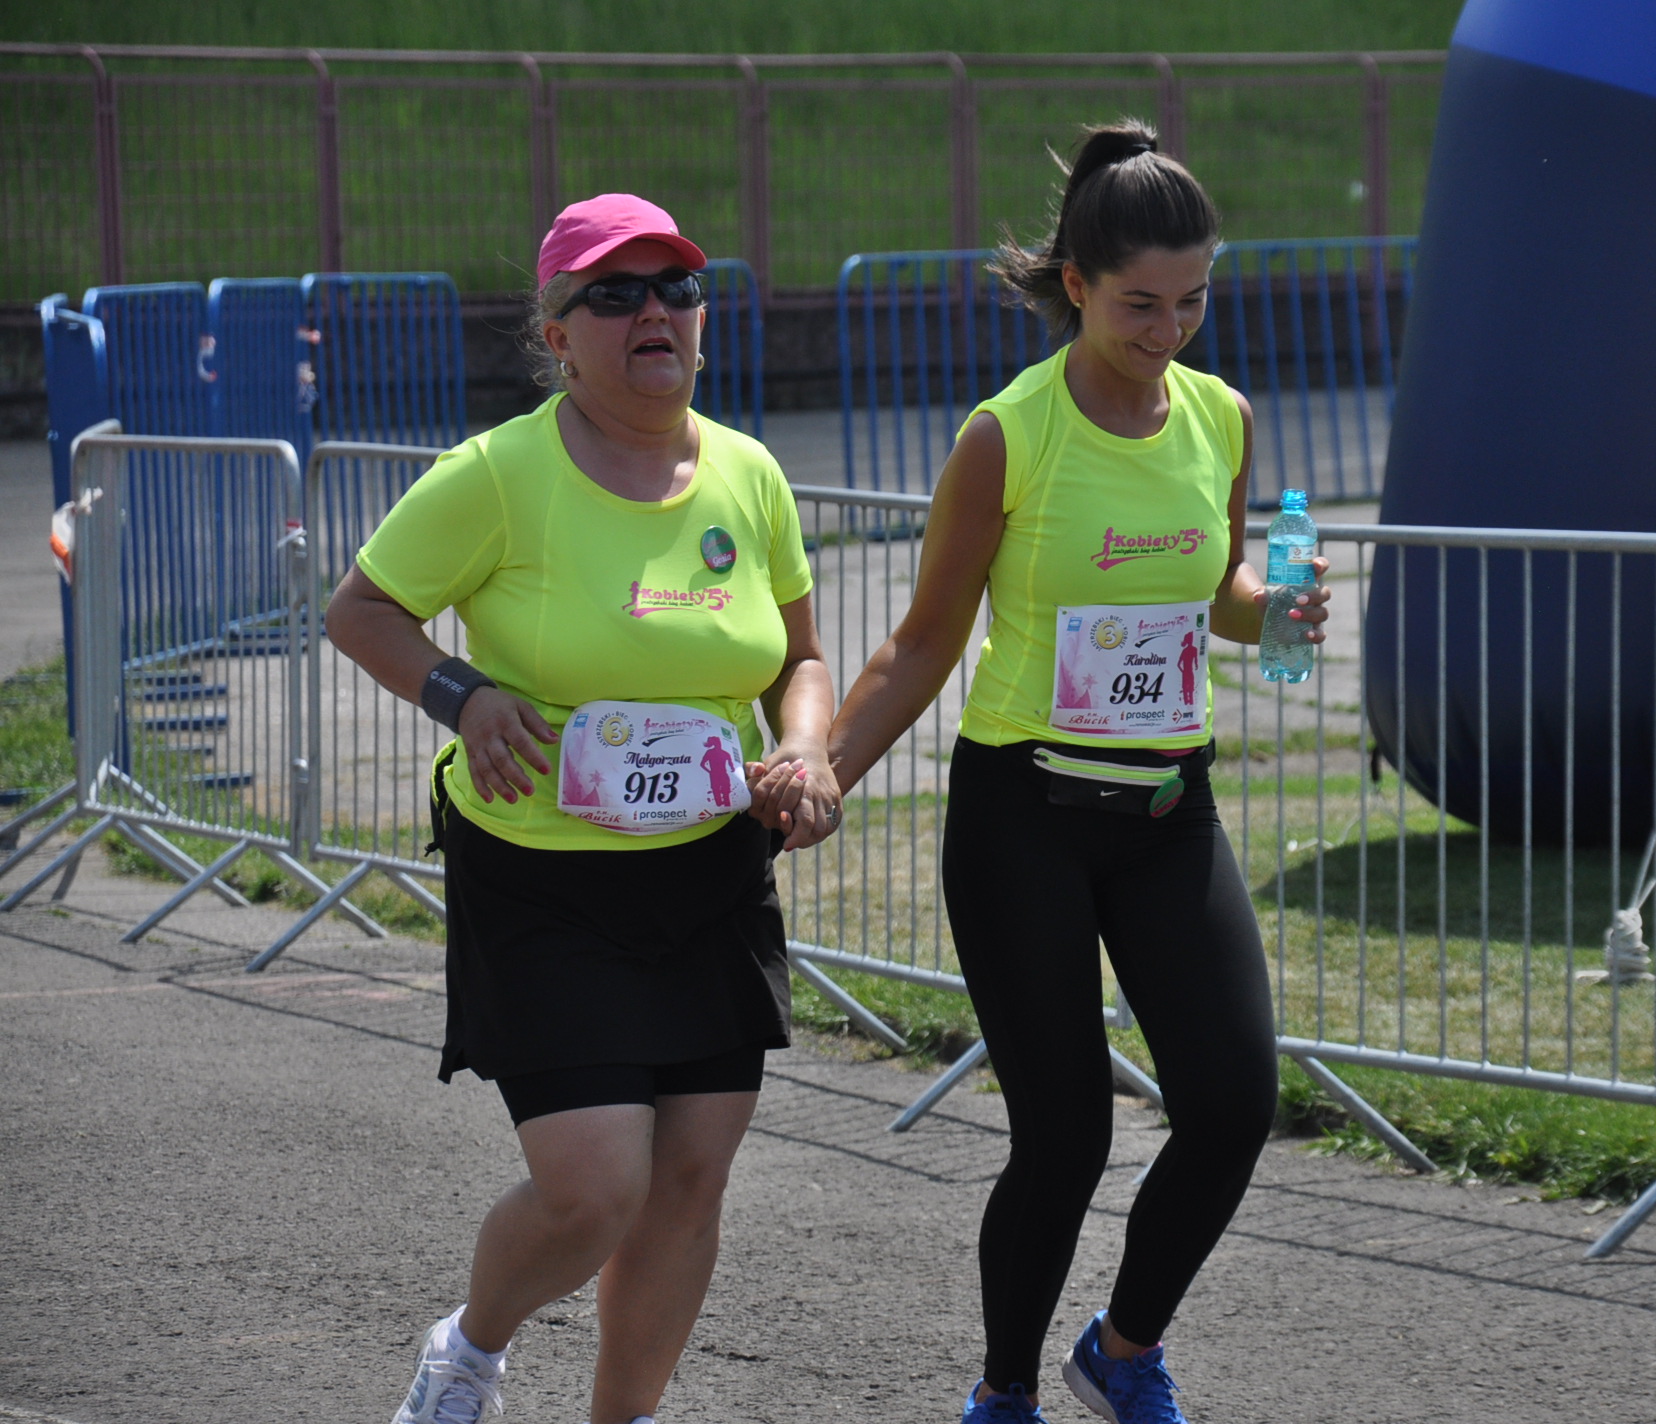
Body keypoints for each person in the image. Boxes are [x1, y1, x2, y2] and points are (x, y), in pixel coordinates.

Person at [826, 120, 1328, 1424]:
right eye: (1139, 304)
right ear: (1074, 286)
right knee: (1066, 1135)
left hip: (1167, 808)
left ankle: (1124, 1348)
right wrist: (820, 773)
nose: (1170, 330)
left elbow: (1216, 591)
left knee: (1231, 1103)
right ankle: (1004, 1392)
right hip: (1025, 814)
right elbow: (921, 641)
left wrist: (1272, 605)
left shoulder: (1220, 417)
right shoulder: (1007, 436)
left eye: (1193, 301)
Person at [324, 193, 841, 1424]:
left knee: (689, 1181)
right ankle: (468, 1350)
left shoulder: (749, 474)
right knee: (595, 1185)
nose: (652, 310)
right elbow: (361, 611)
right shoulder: (497, 476)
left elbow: (800, 660)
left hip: (709, 869)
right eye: (613, 294)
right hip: (541, 874)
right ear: (557, 334)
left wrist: (804, 748)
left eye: (675, 288)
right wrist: (461, 695)